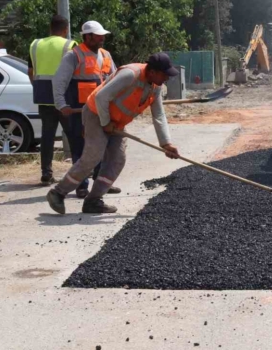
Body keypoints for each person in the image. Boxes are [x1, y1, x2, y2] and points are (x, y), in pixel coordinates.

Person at [46, 52, 180, 214]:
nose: (167, 79)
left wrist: (166, 143)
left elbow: (158, 114)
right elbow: (101, 97)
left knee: (117, 159)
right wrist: (105, 122)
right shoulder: (130, 75)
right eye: (164, 75)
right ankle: (58, 193)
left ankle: (94, 200)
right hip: (96, 113)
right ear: (153, 72)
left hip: (117, 121)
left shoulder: (155, 87)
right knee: (93, 156)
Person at [52, 20, 120, 198]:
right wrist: (62, 105)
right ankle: (81, 185)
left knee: (102, 147)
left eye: (102, 36)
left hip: (101, 109)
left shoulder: (106, 55)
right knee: (81, 148)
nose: (101, 39)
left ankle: (101, 184)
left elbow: (115, 80)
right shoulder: (74, 55)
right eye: (98, 36)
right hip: (79, 111)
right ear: (87, 36)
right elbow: (59, 82)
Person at [27, 15, 76, 186]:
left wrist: (39, 87)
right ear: (66, 29)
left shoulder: (36, 45)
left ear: (50, 28)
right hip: (65, 98)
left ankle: (46, 174)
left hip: (44, 97)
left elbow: (31, 71)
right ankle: (80, 171)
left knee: (47, 136)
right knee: (74, 135)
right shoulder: (69, 45)